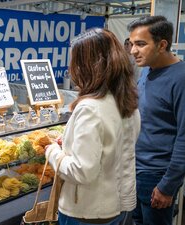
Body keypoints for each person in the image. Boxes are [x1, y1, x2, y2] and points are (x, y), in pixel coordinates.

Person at [45, 28, 140, 225]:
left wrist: (53, 152)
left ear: (87, 66)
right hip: (118, 204)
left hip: (86, 212)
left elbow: (82, 171)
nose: (71, 70)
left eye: (75, 62)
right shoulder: (126, 101)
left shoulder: (90, 108)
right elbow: (114, 149)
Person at [127, 16, 185, 225]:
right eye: (131, 44)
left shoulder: (184, 80)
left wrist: (167, 185)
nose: (133, 51)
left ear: (162, 45)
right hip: (136, 171)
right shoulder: (147, 71)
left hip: (157, 178)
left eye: (141, 44)